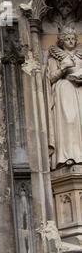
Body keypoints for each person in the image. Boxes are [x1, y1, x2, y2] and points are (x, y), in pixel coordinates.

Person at [46, 26, 82, 169]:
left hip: (79, 90)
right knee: (69, 121)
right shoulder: (55, 56)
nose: (71, 41)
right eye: (67, 39)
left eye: (73, 38)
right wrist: (63, 69)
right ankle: (67, 156)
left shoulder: (80, 55)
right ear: (62, 41)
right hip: (65, 90)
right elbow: (50, 77)